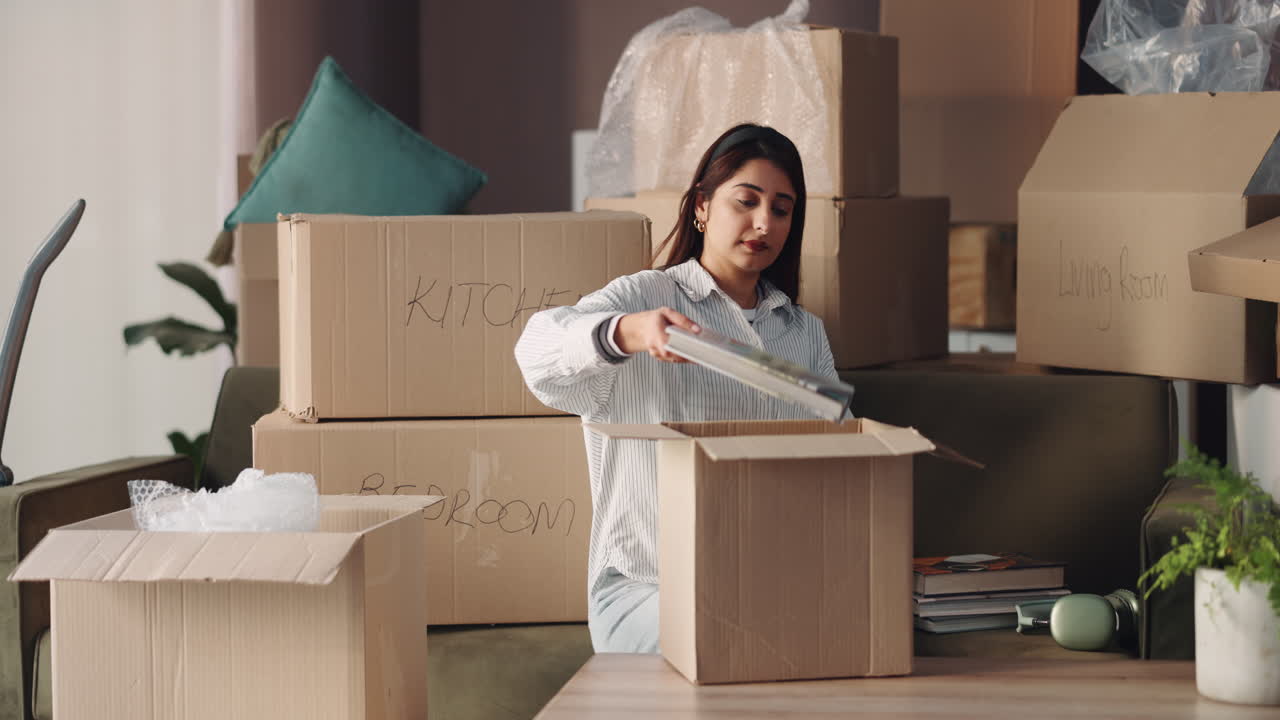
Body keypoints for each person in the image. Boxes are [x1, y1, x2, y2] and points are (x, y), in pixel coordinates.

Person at [514, 123, 840, 654]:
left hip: (768, 589)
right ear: (701, 208)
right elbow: (535, 355)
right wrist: (629, 332)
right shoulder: (644, 295)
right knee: (734, 641)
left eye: (781, 210)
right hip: (647, 592)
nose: (763, 223)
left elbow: (834, 472)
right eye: (746, 201)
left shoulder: (804, 334)